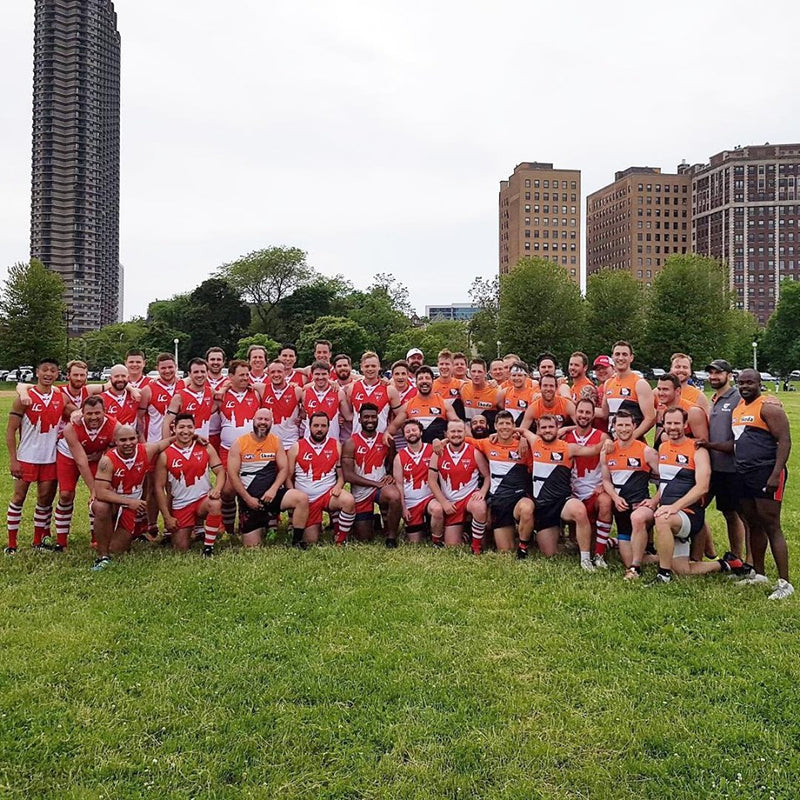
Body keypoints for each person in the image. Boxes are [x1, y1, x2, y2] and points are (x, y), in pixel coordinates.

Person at [649, 407, 743, 585]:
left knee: (662, 519)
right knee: (683, 570)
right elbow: (665, 483)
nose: (672, 427)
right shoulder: (662, 447)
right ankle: (726, 564)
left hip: (690, 514)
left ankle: (663, 575)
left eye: (677, 423)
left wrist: (673, 507)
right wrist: (654, 502)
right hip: (671, 513)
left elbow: (702, 487)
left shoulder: (697, 449)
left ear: (685, 425)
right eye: (668, 423)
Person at [731, 368, 793, 599]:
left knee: (771, 525)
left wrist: (776, 474)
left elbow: (785, 441)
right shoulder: (739, 409)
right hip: (743, 473)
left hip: (765, 471)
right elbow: (738, 442)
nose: (745, 386)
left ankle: (784, 582)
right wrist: (708, 445)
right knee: (752, 522)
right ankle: (759, 573)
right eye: (741, 382)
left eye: (750, 382)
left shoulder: (768, 407)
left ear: (759, 383)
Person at [516, 415, 604, 570]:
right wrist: (500, 434)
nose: (547, 430)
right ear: (538, 429)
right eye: (543, 427)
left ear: (557, 428)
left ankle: (585, 559)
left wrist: (608, 441)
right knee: (550, 553)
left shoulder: (568, 447)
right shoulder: (535, 441)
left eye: (551, 427)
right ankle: (562, 538)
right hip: (542, 506)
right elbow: (522, 430)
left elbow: (595, 449)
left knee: (579, 510)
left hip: (562, 501)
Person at [90, 425, 174, 570]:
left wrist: (190, 436)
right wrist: (129, 502)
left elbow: (162, 444)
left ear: (137, 439)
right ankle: (102, 556)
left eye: (131, 439)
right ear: (115, 441)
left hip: (130, 506)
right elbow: (100, 492)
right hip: (114, 502)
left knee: (117, 550)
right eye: (123, 440)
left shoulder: (146, 451)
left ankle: (112, 540)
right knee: (101, 506)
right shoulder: (107, 460)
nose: (128, 443)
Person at [225, 407, 310, 549]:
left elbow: (283, 469)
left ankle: (297, 541)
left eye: (266, 419)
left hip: (272, 495)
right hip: (251, 499)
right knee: (252, 548)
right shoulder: (239, 443)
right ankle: (262, 523)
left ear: (272, 422)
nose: (262, 422)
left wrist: (273, 489)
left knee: (301, 499)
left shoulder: (276, 441)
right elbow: (233, 475)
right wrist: (247, 499)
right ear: (253, 420)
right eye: (260, 419)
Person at [5, 358, 65, 553]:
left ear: (57, 374)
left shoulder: (60, 397)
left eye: (53, 371)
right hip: (26, 457)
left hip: (49, 458)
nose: (48, 374)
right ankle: (12, 544)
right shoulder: (25, 397)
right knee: (18, 497)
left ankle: (37, 541)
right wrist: (13, 459)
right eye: (45, 370)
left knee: (44, 500)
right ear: (37, 372)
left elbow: (76, 409)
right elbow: (10, 431)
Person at [694, 359, 746, 561]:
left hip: (731, 467)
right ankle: (697, 556)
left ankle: (738, 557)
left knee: (733, 514)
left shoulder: (738, 397)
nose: (713, 377)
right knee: (698, 509)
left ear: (729, 375)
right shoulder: (714, 398)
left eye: (718, 373)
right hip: (712, 466)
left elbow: (759, 402)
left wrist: (772, 401)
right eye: (711, 373)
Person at [600, 409, 660, 579]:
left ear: (634, 426)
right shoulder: (607, 451)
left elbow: (668, 479)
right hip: (621, 510)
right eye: (620, 425)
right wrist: (615, 497)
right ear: (614, 427)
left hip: (641, 508)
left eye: (628, 425)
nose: (624, 429)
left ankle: (635, 570)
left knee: (637, 519)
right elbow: (606, 480)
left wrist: (654, 501)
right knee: (627, 559)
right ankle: (662, 557)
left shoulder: (646, 451)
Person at [154, 413, 225, 555]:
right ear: (174, 429)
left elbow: (221, 471)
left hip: (201, 500)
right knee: (180, 548)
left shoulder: (205, 447)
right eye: (181, 427)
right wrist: (167, 517)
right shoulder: (165, 454)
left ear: (195, 428)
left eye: (189, 427)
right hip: (181, 505)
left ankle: (208, 548)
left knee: (215, 503)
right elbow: (159, 488)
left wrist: (217, 489)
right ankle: (188, 531)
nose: (185, 431)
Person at [55, 395, 120, 550]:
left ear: (105, 411)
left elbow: (117, 448)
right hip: (69, 455)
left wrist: (104, 452)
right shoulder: (71, 428)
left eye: (97, 413)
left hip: (96, 456)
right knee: (66, 494)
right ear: (82, 413)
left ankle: (96, 537)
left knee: (101, 498)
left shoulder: (114, 425)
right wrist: (93, 489)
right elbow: (81, 461)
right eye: (89, 413)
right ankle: (61, 540)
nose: (93, 417)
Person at [287, 412, 356, 546]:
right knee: (311, 540)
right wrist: (294, 496)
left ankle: (340, 540)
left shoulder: (336, 445)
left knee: (348, 501)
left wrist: (339, 485)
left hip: (327, 494)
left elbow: (340, 474)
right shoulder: (297, 447)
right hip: (306, 500)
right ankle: (316, 525)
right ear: (309, 426)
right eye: (316, 425)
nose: (319, 429)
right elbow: (288, 477)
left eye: (323, 426)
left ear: (328, 427)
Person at [471, 410, 534, 553]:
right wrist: (441, 441)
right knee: (505, 551)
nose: (505, 427)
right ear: (494, 426)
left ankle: (523, 547)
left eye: (508, 423)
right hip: (499, 500)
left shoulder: (523, 446)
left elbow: (533, 470)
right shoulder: (487, 443)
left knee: (527, 508)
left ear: (514, 426)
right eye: (501, 424)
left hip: (518, 497)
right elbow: (464, 439)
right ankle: (514, 533)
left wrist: (523, 436)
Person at [563, 397, 614, 568]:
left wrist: (604, 484)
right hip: (573, 494)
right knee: (571, 546)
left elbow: (612, 465)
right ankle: (607, 542)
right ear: (575, 413)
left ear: (593, 416)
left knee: (606, 501)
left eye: (587, 412)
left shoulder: (602, 437)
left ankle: (599, 555)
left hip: (594, 492)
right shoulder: (566, 437)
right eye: (581, 412)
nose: (583, 415)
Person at [342, 404, 402, 546]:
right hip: (361, 490)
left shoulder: (386, 440)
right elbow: (348, 476)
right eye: (366, 417)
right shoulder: (351, 443)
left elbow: (393, 463)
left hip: (380, 488)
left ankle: (391, 537)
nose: (370, 420)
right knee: (364, 538)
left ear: (378, 419)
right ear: (359, 420)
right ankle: (375, 520)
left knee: (394, 496)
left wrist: (391, 475)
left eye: (373, 417)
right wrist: (374, 483)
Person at [218, 359, 265, 536]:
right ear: (230, 377)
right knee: (229, 490)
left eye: (247, 374)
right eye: (241, 375)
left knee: (251, 487)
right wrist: (223, 388)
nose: (245, 378)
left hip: (252, 449)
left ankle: (248, 524)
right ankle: (228, 529)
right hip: (228, 449)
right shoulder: (221, 395)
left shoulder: (256, 393)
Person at [427, 419, 489, 552]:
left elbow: (487, 476)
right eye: (453, 431)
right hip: (450, 501)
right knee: (452, 546)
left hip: (468, 498)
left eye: (460, 431)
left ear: (465, 433)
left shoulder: (474, 452)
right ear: (446, 434)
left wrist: (483, 491)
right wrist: (443, 502)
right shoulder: (438, 453)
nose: (456, 434)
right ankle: (466, 535)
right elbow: (431, 481)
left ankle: (476, 547)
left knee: (480, 507)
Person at [392, 420, 443, 544]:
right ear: (404, 436)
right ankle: (419, 527)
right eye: (407, 431)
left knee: (437, 509)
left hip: (429, 497)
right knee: (415, 543)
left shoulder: (432, 449)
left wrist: (438, 440)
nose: (411, 433)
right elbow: (399, 484)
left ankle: (437, 540)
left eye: (414, 430)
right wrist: (403, 508)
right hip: (411, 502)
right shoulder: (399, 456)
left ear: (421, 432)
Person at [386, 366, 459, 443]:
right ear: (416, 382)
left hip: (438, 452)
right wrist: (386, 434)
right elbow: (392, 428)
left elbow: (458, 426)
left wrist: (447, 440)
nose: (424, 381)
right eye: (421, 379)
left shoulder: (444, 404)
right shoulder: (408, 405)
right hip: (417, 452)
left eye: (427, 378)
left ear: (433, 381)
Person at [600, 340, 655, 439]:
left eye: (624, 354)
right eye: (617, 354)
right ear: (612, 357)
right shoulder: (608, 383)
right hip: (613, 444)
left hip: (633, 445)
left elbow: (650, 418)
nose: (620, 358)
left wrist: (630, 439)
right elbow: (604, 414)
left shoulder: (640, 384)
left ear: (631, 358)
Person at [346, 351, 404, 436]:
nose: (370, 369)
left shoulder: (389, 389)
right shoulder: (352, 388)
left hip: (381, 442)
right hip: (357, 441)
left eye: (373, 366)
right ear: (361, 368)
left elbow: (401, 415)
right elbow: (350, 414)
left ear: (379, 367)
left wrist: (390, 430)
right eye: (367, 366)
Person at [162, 357, 216, 439]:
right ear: (189, 374)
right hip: (184, 445)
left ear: (207, 373)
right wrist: (166, 446)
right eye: (196, 372)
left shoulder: (211, 392)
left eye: (202, 372)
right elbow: (166, 423)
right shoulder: (179, 396)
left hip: (204, 444)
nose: (200, 375)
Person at [654, 373, 709, 445]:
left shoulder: (693, 411)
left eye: (665, 389)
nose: (661, 393)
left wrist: (674, 439)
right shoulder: (662, 408)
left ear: (677, 391)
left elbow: (703, 441)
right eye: (659, 389)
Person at [302, 360, 351, 441]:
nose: (320, 377)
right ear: (312, 375)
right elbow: (302, 415)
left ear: (329, 375)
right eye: (317, 374)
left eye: (324, 374)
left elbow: (349, 417)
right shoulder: (305, 393)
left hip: (331, 442)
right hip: (309, 442)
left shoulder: (338, 393)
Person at [261, 359, 303, 452]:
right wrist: (224, 388)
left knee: (289, 467)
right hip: (268, 442)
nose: (276, 375)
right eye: (272, 372)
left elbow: (307, 409)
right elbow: (238, 382)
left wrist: (301, 415)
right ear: (267, 373)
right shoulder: (261, 389)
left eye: (279, 371)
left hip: (290, 442)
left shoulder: (297, 391)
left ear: (285, 373)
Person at [458, 358, 502, 430]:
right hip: (469, 433)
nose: (476, 375)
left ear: (485, 373)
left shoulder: (495, 391)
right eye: (474, 371)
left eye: (479, 372)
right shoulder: (462, 388)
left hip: (487, 435)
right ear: (469, 373)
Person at [205, 346, 228, 452]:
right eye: (212, 359)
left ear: (223, 362)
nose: (215, 362)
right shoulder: (197, 380)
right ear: (207, 362)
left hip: (221, 434)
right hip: (201, 432)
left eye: (219, 359)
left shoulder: (229, 382)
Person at [502, 361, 537, 425]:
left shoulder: (532, 395)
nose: (516, 378)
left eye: (520, 375)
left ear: (526, 376)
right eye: (514, 375)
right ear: (510, 376)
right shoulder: (505, 392)